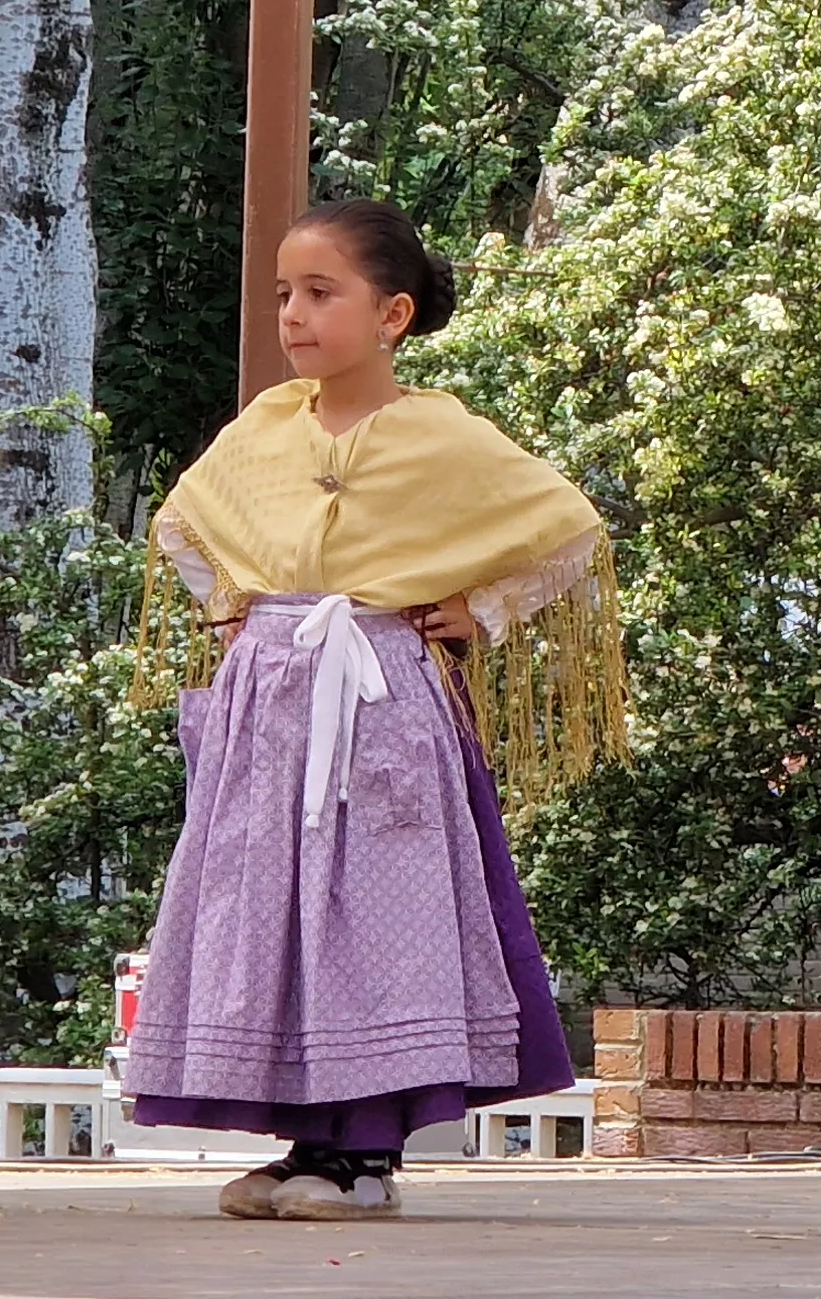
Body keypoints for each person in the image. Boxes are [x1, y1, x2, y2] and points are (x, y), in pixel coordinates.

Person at [123, 200, 602, 1222]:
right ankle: (309, 1139)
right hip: (276, 700)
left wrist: (478, 610)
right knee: (282, 913)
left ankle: (368, 1153)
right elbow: (186, 525)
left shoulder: (441, 433)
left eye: (319, 293)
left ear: (391, 314)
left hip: (381, 695)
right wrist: (241, 611)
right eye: (285, 294)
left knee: (379, 913)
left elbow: (563, 528)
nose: (293, 315)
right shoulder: (265, 428)